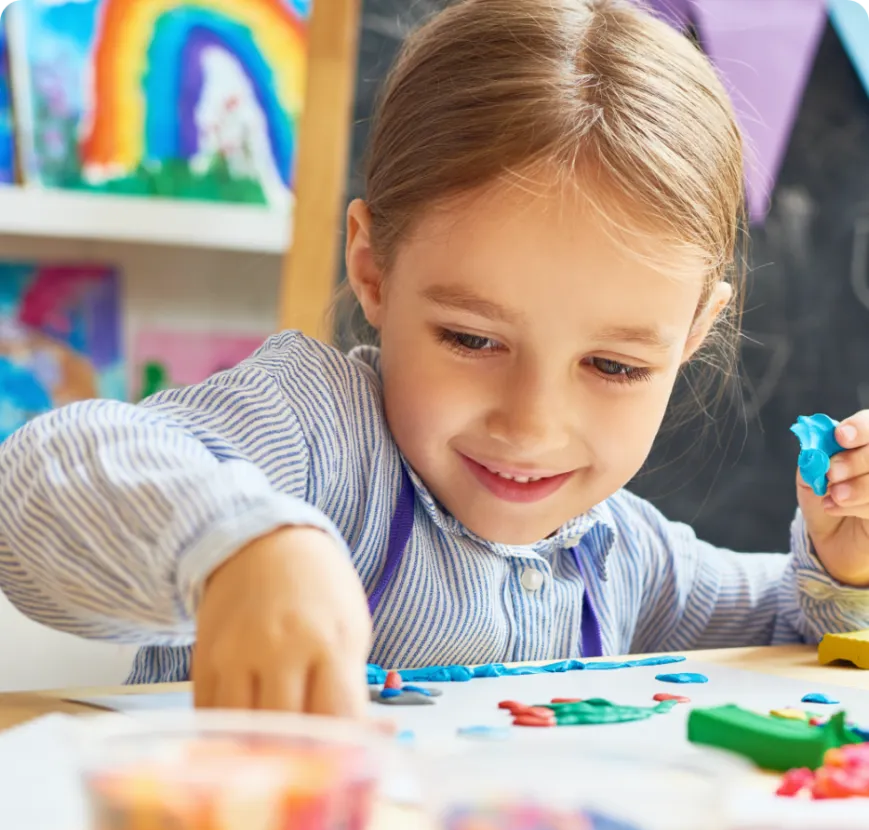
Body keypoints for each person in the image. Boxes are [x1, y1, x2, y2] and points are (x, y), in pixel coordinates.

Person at [2, 0, 868, 717]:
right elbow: (43, 482)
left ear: (691, 333)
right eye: (471, 340)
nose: (531, 426)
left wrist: (842, 562)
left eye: (612, 367)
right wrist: (237, 549)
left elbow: (783, 628)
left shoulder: (617, 554)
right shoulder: (314, 437)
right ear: (372, 270)